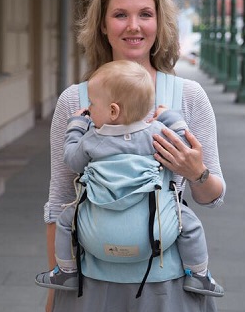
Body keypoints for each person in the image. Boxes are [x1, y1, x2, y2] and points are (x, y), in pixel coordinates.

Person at [43, 0, 232, 312]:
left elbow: (213, 195)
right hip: (89, 281)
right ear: (102, 26)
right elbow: (59, 199)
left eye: (145, 14)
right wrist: (58, 283)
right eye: (120, 15)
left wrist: (196, 172)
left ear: (159, 24)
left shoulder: (188, 96)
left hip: (168, 282)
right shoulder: (74, 101)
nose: (134, 26)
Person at [36, 60, 224, 298]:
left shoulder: (91, 139)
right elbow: (183, 146)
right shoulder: (157, 133)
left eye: (92, 104)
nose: (89, 109)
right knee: (189, 223)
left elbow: (72, 160)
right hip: (155, 231)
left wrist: (75, 126)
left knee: (66, 221)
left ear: (113, 111)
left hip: (97, 230)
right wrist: (171, 118)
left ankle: (66, 271)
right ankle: (199, 274)